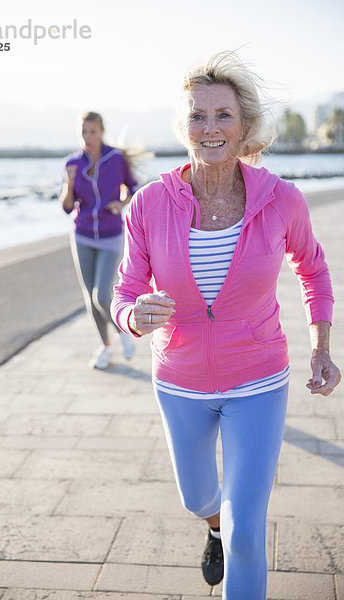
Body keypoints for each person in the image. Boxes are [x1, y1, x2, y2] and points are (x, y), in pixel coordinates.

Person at [111, 51, 341, 599]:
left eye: (222, 116)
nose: (209, 128)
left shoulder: (281, 200)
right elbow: (123, 292)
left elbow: (313, 267)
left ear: (244, 127)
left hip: (258, 381)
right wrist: (132, 316)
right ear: (183, 126)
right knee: (198, 498)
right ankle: (210, 525)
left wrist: (321, 346)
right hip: (180, 381)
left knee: (247, 536)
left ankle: (229, 536)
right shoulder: (148, 205)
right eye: (197, 116)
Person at [60, 111, 140, 369]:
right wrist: (69, 183)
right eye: (84, 131)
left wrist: (121, 203)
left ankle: (123, 333)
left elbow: (134, 187)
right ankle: (105, 347)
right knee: (89, 298)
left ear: (102, 131)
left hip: (110, 234)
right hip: (82, 235)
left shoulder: (115, 159)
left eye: (92, 131)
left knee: (102, 295)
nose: (88, 136)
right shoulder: (73, 163)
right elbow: (66, 206)